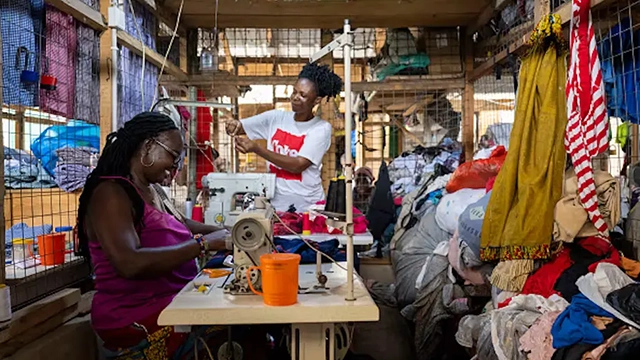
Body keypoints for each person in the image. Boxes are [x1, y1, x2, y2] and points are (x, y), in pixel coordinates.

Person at [77, 112, 266, 359]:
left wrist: (231, 233)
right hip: (133, 317)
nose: (176, 167)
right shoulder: (111, 193)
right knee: (242, 329)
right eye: (173, 156)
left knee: (252, 320)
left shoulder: (151, 190)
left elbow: (182, 224)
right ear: (147, 146)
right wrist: (203, 244)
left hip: (170, 302)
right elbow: (129, 263)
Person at [225, 63, 343, 212]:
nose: (295, 98)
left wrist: (256, 148)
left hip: (308, 207)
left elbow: (298, 165)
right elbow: (240, 127)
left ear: (317, 100)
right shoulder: (276, 118)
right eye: (294, 92)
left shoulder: (321, 129)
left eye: (303, 95)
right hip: (276, 205)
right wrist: (232, 125)